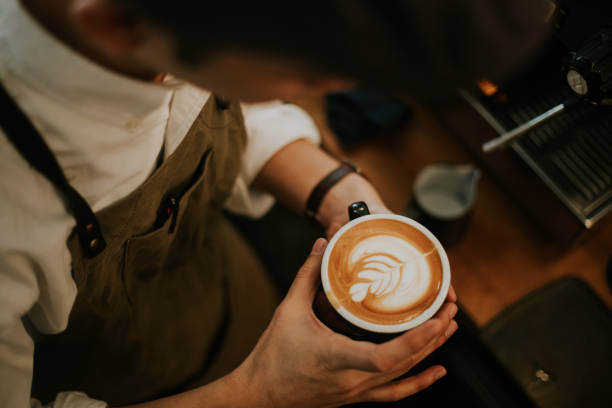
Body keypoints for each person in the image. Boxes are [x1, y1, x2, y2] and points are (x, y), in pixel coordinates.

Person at [0, 1, 547, 407]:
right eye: (312, 74)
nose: (342, 85)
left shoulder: (173, 23)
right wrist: (263, 390)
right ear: (117, 23)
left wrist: (341, 196)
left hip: (227, 286)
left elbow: (226, 105)